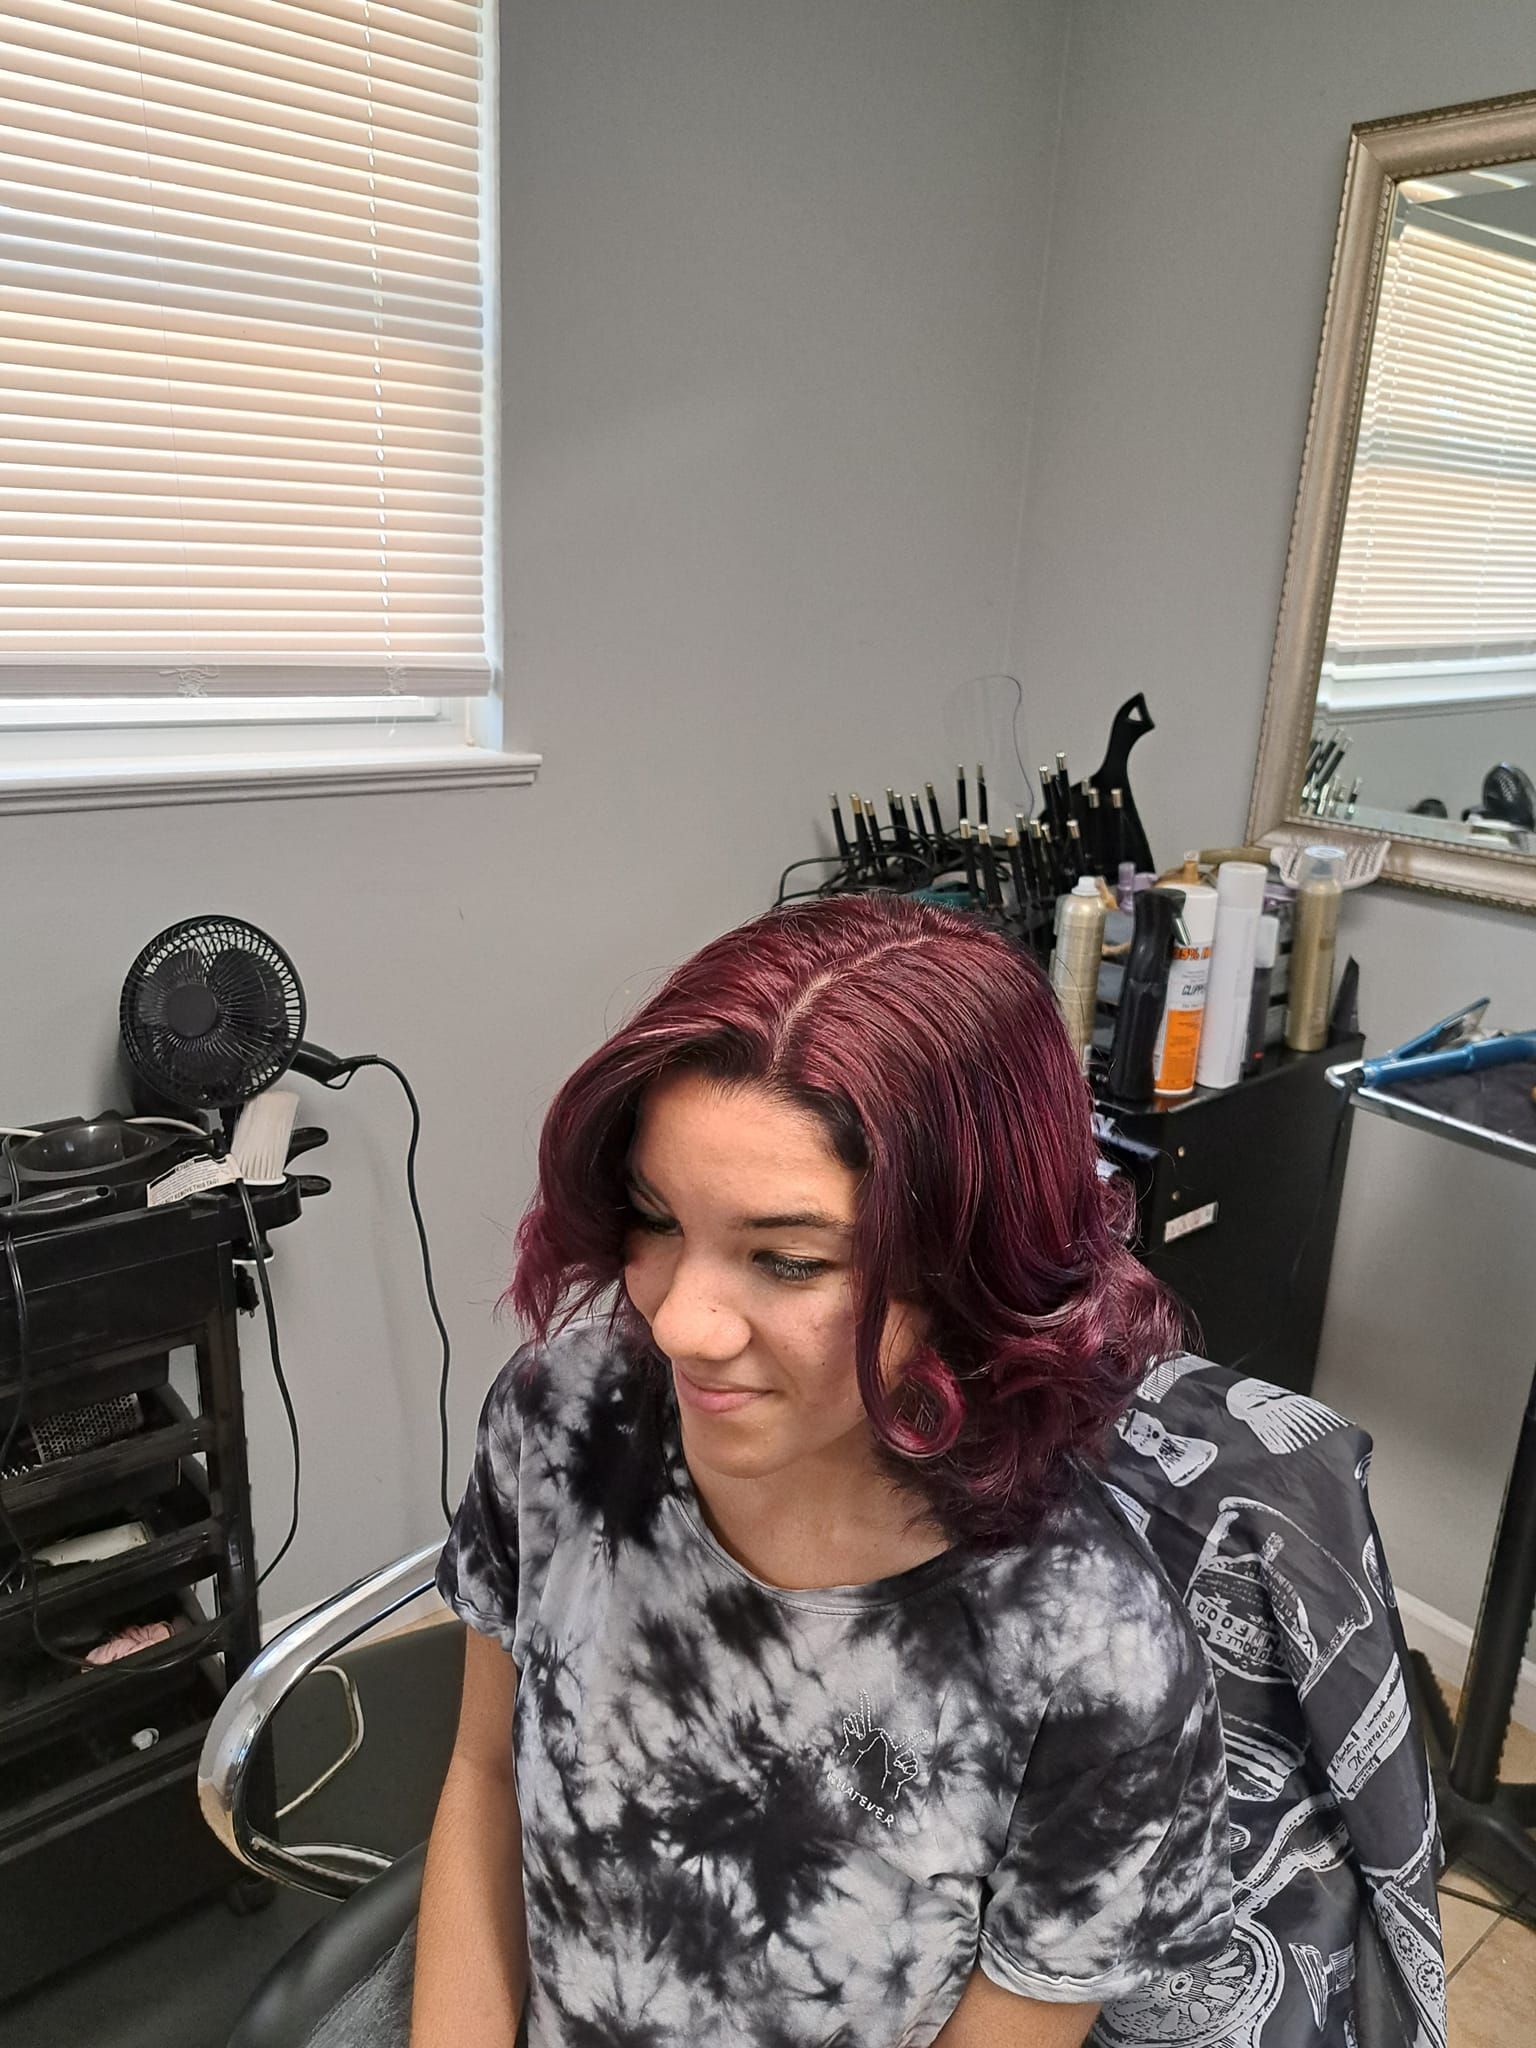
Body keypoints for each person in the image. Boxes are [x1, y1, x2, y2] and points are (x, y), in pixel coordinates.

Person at [377, 894, 1231, 2047]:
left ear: (971, 1271)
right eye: (656, 1218)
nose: (681, 1322)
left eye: (784, 1259)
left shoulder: (1090, 1658)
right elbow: (485, 1776)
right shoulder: (564, 1419)